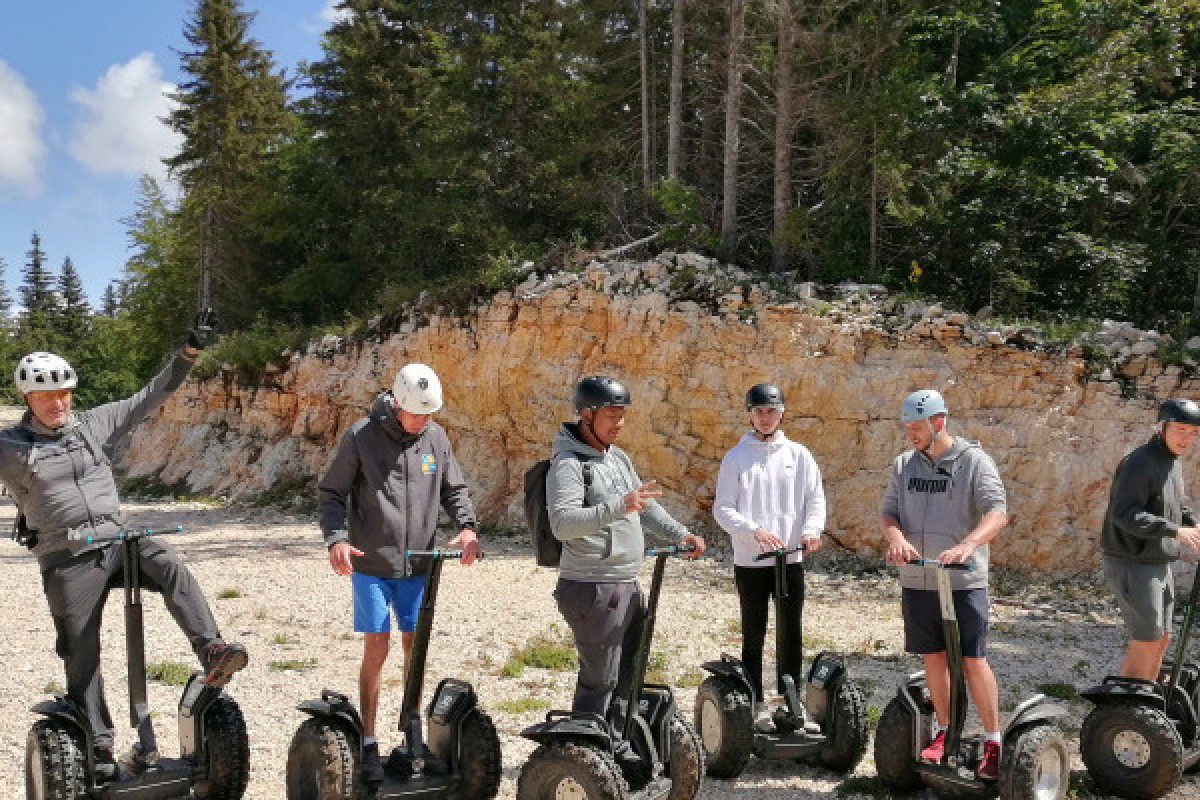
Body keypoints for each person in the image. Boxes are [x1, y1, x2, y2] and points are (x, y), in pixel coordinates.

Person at [0, 310, 248, 783]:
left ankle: (212, 650)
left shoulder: (93, 423)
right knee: (81, 648)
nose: (57, 402)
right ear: (27, 397)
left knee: (168, 562)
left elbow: (150, 396)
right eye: (45, 394)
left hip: (117, 542)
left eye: (63, 392)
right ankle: (98, 743)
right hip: (66, 556)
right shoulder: (10, 446)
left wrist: (188, 353)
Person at [318, 363, 481, 783]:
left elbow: (454, 488)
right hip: (371, 562)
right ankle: (368, 740)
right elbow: (331, 492)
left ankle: (410, 731)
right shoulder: (360, 437)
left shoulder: (436, 437)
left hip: (418, 564)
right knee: (379, 645)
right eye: (418, 414)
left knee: (415, 645)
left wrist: (467, 527)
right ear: (396, 406)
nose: (425, 422)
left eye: (431, 414)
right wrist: (336, 538)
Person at [546, 375, 705, 777]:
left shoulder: (617, 458)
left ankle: (613, 752)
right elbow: (563, 523)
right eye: (611, 416)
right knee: (599, 680)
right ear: (586, 415)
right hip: (590, 585)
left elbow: (645, 506)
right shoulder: (567, 465)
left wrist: (679, 534)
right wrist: (619, 506)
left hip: (624, 582)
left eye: (622, 416)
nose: (619, 424)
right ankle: (581, 768)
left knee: (626, 677)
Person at [880, 389, 1008, 781]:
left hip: (963, 581)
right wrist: (896, 540)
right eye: (907, 429)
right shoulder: (904, 465)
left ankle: (991, 740)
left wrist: (969, 544)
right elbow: (889, 512)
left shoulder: (973, 461)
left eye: (917, 428)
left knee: (972, 659)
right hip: (918, 578)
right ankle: (943, 731)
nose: (911, 435)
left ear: (939, 422)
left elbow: (998, 511)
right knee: (933, 657)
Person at [713, 382, 824, 734]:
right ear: (750, 413)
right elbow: (723, 509)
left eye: (771, 411)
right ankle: (755, 702)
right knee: (753, 632)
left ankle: (791, 701)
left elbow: (814, 499)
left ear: (782, 413)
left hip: (789, 560)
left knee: (791, 631)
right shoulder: (736, 458)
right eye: (759, 411)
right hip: (752, 561)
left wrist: (811, 530)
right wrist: (753, 530)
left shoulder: (799, 455)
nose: (765, 417)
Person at [1100, 398, 1200, 682]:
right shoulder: (1140, 462)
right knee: (1147, 638)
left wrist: (1191, 524)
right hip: (1132, 561)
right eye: (1181, 429)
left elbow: (1172, 506)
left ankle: (1146, 700)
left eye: (1194, 432)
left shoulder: (1171, 461)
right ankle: (1127, 711)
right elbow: (1125, 514)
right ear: (1162, 426)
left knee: (1162, 636)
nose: (1188, 438)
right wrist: (1174, 531)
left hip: (1157, 561)